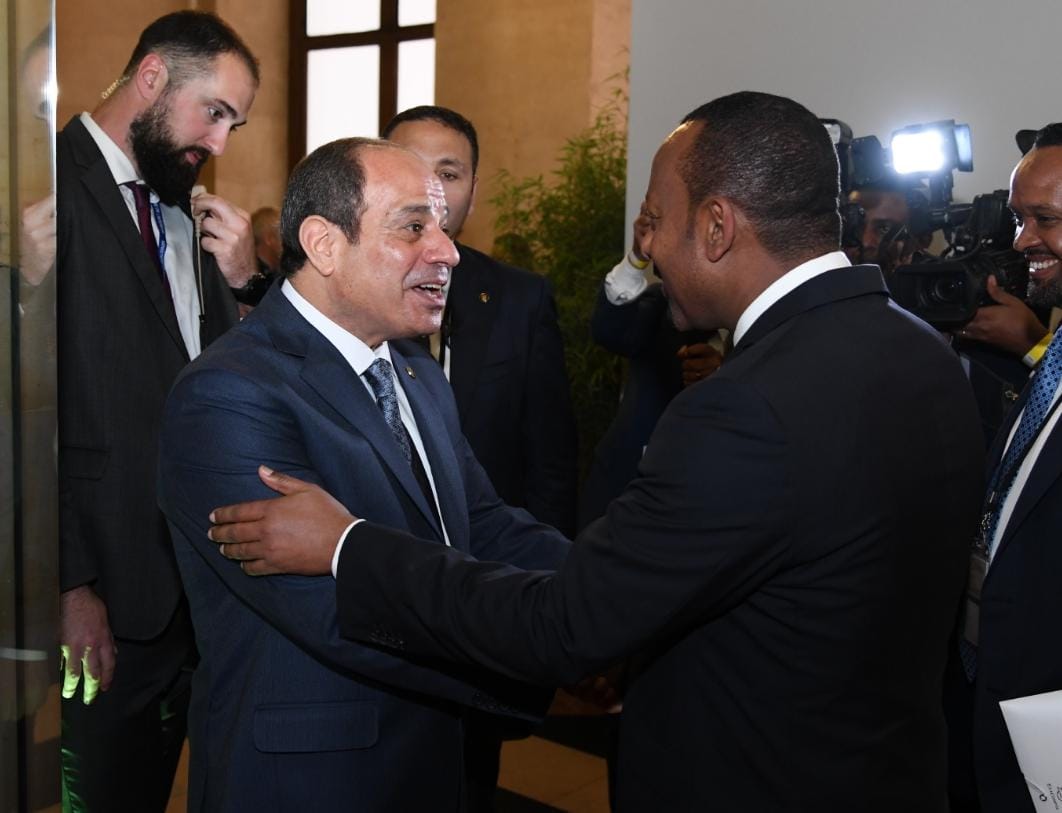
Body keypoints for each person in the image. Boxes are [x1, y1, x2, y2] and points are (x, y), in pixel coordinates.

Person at [211, 92, 986, 811]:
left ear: (716, 228)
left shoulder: (745, 405)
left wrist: (347, 546)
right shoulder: (926, 354)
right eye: (414, 225)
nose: (648, 249)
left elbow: (564, 622)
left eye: (657, 220)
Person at [157, 137, 570, 811]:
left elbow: (482, 523)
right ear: (324, 244)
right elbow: (335, 610)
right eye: (413, 227)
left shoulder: (413, 370)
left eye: (442, 226)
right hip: (311, 785)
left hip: (430, 766)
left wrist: (599, 590)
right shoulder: (227, 393)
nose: (447, 251)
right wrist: (553, 644)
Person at [56, 11, 258, 811]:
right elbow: (26, 412)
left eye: (235, 123)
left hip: (198, 586)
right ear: (151, 78)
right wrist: (69, 584)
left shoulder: (183, 206)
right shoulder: (42, 186)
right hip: (104, 592)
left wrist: (246, 284)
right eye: (215, 112)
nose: (221, 142)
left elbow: (215, 385)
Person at [382, 106, 579, 539]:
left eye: (448, 174)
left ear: (473, 192)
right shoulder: (344, 290)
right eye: (411, 166)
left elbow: (551, 458)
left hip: (489, 552)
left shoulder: (521, 300)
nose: (430, 189)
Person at [950, 122, 1062, 813]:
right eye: (1020, 219)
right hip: (990, 697)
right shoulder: (1051, 358)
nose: (1023, 242)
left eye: (1045, 219)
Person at [578, 201, 723, 530]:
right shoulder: (662, 306)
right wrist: (636, 259)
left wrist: (724, 370)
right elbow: (609, 330)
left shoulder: (765, 330)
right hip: (624, 503)